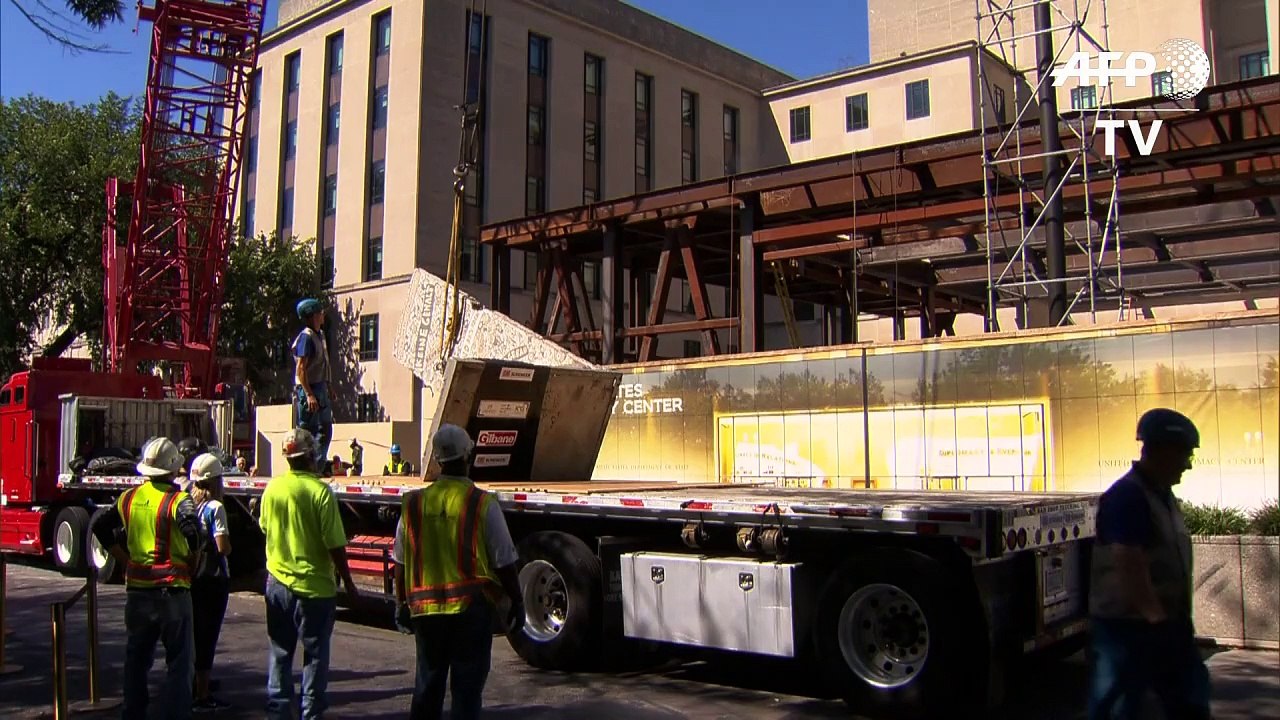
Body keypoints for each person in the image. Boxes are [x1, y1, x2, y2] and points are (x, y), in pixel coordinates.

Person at [392, 423, 525, 720]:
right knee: (466, 694)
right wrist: (516, 601)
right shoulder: (481, 502)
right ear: (468, 456)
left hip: (426, 611)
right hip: (470, 611)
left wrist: (400, 602)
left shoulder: (413, 504)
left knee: (427, 689)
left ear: (438, 460)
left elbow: (400, 560)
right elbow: (504, 560)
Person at [1088, 408, 1211, 720]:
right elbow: (1128, 561)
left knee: (1189, 701)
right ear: (1161, 450)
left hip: (1165, 625)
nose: (1189, 464)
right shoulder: (1128, 497)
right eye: (1184, 453)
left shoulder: (1161, 496)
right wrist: (1156, 620)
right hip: (1130, 630)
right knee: (1119, 708)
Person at [89, 437, 201, 720]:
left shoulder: (129, 497)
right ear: (174, 468)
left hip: (138, 592)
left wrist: (124, 558)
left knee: (136, 660)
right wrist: (193, 561)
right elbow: (195, 535)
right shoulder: (178, 499)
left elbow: (100, 526)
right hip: (172, 591)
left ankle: (133, 714)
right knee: (179, 664)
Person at [259, 428, 359, 720]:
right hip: (315, 590)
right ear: (312, 456)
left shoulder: (273, 489)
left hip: (278, 584)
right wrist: (349, 584)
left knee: (280, 653)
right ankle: (310, 714)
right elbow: (335, 545)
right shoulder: (320, 493)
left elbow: (265, 528)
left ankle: (278, 712)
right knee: (315, 658)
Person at [188, 453, 233, 713]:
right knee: (208, 636)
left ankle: (195, 683)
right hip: (213, 578)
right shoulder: (215, 508)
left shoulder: (189, 503)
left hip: (194, 577)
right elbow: (222, 546)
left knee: (195, 635)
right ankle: (202, 695)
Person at [293, 298, 334, 475]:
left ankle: (316, 467)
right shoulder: (306, 337)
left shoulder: (320, 335)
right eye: (320, 312)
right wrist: (309, 394)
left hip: (321, 387)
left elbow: (324, 363)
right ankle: (305, 469)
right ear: (313, 316)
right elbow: (301, 368)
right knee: (307, 432)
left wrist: (329, 386)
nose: (322, 315)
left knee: (325, 429)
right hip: (309, 389)